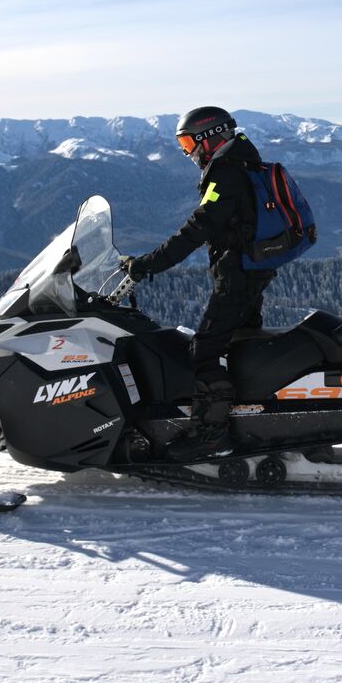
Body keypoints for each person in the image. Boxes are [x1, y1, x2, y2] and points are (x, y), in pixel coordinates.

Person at [122, 106, 275, 456]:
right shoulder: (241, 161)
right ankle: (251, 418)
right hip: (248, 268)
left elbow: (196, 229)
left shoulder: (226, 175)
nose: (187, 150)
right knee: (240, 341)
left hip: (238, 274)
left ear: (210, 137)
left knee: (205, 350)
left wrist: (148, 264)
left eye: (189, 141)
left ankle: (211, 435)